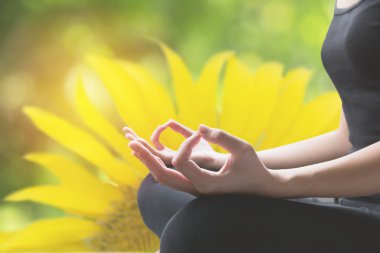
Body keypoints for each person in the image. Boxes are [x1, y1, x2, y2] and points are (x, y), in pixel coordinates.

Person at [123, 0, 380, 252]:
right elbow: (347, 138)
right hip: (349, 198)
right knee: (160, 186)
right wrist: (222, 162)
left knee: (201, 226)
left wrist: (277, 183)